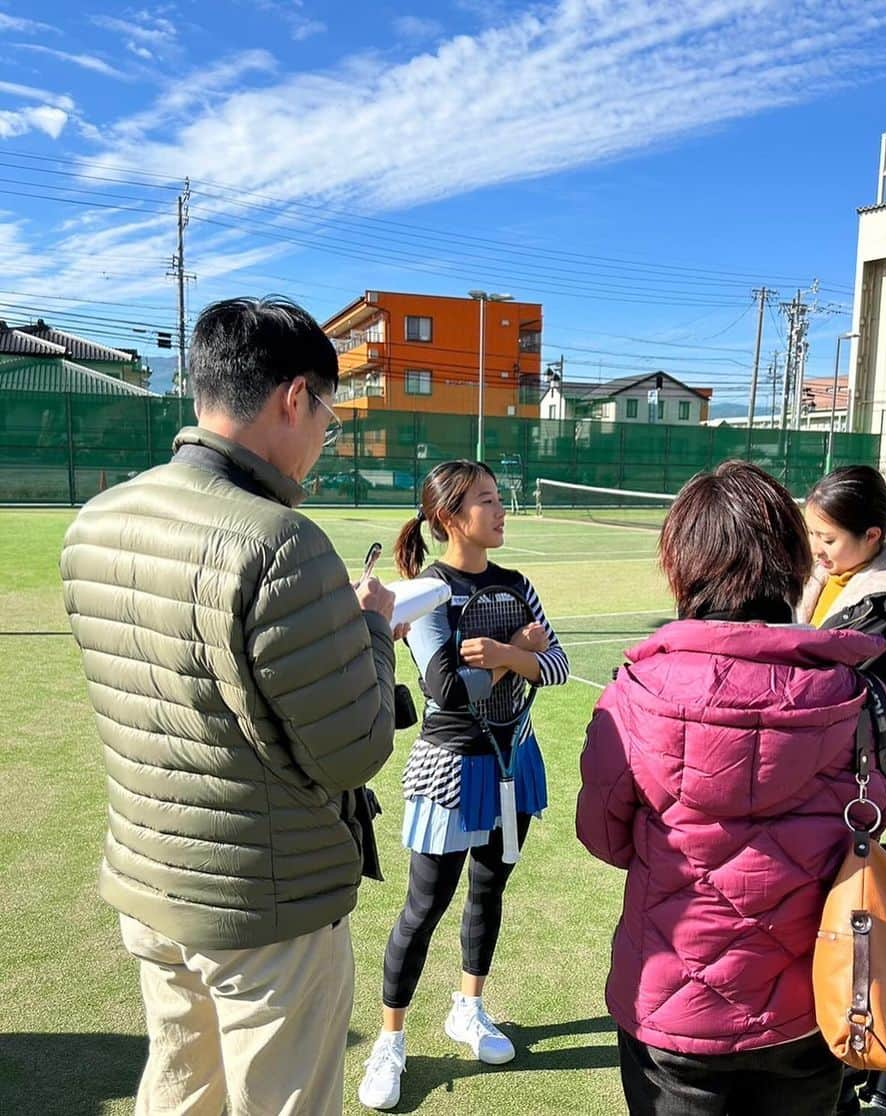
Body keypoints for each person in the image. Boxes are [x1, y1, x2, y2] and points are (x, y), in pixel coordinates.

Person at [60, 296, 404, 1116]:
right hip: (266, 906)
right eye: (329, 411)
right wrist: (374, 631)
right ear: (295, 398)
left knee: (180, 1091)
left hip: (151, 880)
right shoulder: (280, 542)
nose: (326, 435)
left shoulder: (95, 520)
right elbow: (354, 748)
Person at [576, 461, 886, 1116]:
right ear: (789, 560)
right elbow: (878, 810)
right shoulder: (860, 694)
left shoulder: (634, 696)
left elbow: (603, 837)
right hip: (813, 998)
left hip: (672, 1008)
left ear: (683, 567)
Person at [358, 459, 569, 1111]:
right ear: (450, 517)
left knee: (489, 889)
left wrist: (509, 656)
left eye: (500, 497)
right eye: (486, 500)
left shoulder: (518, 582)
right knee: (425, 906)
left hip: (515, 765)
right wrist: (517, 658)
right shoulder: (425, 591)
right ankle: (390, 1043)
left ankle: (467, 1009)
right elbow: (445, 693)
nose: (500, 510)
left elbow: (557, 664)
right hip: (450, 770)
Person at [798, 465, 886, 725]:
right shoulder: (815, 579)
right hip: (815, 745)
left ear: (871, 536)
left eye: (827, 540)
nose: (815, 549)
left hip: (856, 753)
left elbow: (837, 689)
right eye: (811, 534)